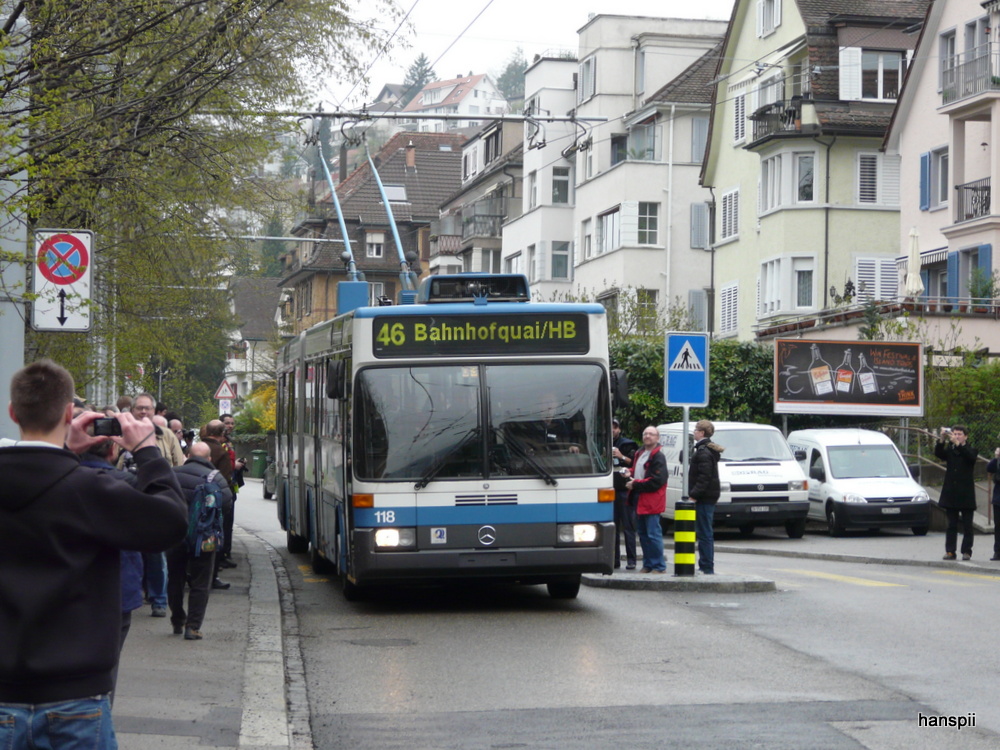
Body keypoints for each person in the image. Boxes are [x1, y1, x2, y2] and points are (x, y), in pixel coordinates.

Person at [0, 359, 186, 748]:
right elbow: (169, 522)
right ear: (70, 413)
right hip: (75, 694)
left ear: (13, 412)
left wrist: (65, 449)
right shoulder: (90, 489)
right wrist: (148, 451)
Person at [167, 442, 234, 640]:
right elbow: (227, 502)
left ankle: (177, 618)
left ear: (187, 455)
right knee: (201, 581)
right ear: (209, 459)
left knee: (175, 578)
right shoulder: (216, 477)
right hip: (205, 537)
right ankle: (193, 626)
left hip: (175, 534)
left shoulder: (173, 473)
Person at [625, 426, 667, 573]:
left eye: (651, 434)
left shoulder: (658, 456)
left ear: (657, 438)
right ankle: (648, 564)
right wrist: (628, 472)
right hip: (639, 497)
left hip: (651, 500)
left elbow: (657, 481)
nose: (648, 436)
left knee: (653, 533)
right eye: (645, 434)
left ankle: (659, 566)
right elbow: (638, 471)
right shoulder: (640, 452)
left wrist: (635, 483)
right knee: (642, 533)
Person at [935, 425, 978, 560]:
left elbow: (970, 457)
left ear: (965, 436)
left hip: (966, 494)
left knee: (967, 525)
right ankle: (950, 551)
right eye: (954, 434)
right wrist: (942, 439)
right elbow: (938, 453)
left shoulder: (971, 449)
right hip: (951, 493)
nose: (957, 436)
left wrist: (958, 444)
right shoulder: (950, 450)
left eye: (960, 434)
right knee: (951, 525)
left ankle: (966, 551)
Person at [688, 419, 723, 575]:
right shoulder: (706, 449)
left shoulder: (703, 452)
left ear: (701, 433)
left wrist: (694, 495)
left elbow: (704, 477)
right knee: (704, 532)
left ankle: (706, 566)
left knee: (704, 533)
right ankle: (705, 565)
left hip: (704, 498)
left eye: (696, 430)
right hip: (708, 496)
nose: (694, 432)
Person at [611, 418, 638, 570]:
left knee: (628, 527)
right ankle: (614, 560)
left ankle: (631, 560)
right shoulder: (601, 442)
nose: (613, 430)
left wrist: (621, 456)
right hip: (609, 490)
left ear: (619, 429)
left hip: (624, 491)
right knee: (613, 527)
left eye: (615, 427)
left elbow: (634, 462)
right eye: (611, 427)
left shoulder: (628, 444)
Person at [987, 447, 1000, 561]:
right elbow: (989, 468)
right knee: (998, 526)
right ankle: (998, 552)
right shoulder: (998, 460)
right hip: (998, 498)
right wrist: (996, 458)